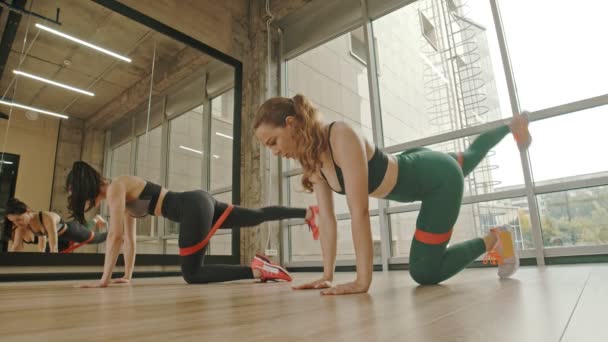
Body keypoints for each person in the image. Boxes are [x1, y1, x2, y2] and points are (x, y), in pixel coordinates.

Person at [253, 94, 531, 295]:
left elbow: (359, 212)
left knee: (425, 272)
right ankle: (511, 126)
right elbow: (326, 219)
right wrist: (327, 276)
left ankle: (497, 238)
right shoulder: (312, 159)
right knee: (470, 157)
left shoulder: (340, 136)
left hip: (437, 180)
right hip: (418, 165)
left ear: (290, 123)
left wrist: (363, 281)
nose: (274, 151)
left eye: (273, 142)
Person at [66, 161, 318, 288]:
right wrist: (127, 276)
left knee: (192, 274)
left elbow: (114, 238)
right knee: (255, 215)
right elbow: (128, 240)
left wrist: (103, 280)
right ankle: (307, 213)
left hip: (191, 208)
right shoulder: (120, 194)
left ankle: (259, 270)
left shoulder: (115, 188)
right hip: (197, 201)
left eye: (73, 194)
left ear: (82, 190)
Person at [3, 198, 107, 253]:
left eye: (19, 219)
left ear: (27, 211)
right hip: (62, 240)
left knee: (98, 238)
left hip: (71, 232)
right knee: (85, 227)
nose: (17, 224)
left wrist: (52, 254)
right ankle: (95, 219)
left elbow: (53, 240)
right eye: (13, 222)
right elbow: (42, 239)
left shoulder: (46, 217)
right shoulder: (25, 225)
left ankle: (115, 232)